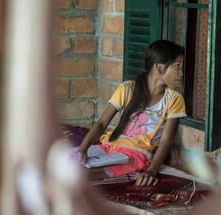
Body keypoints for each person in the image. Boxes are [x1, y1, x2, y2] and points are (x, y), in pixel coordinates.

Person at [77, 40, 186, 187]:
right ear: (159, 67)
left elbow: (166, 140)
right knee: (68, 163)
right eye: (177, 67)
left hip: (136, 155)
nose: (181, 73)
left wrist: (152, 170)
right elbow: (102, 123)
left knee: (85, 176)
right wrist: (83, 148)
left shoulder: (174, 99)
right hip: (109, 147)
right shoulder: (127, 89)